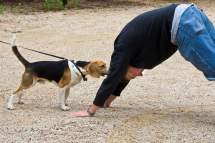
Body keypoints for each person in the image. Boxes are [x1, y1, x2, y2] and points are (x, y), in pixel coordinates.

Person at [71, 3, 215, 117]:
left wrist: (91, 110)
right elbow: (122, 78)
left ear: (124, 65)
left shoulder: (122, 50)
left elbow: (114, 77)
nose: (139, 75)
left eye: (131, 75)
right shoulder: (132, 54)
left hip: (184, 22)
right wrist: (107, 102)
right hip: (191, 12)